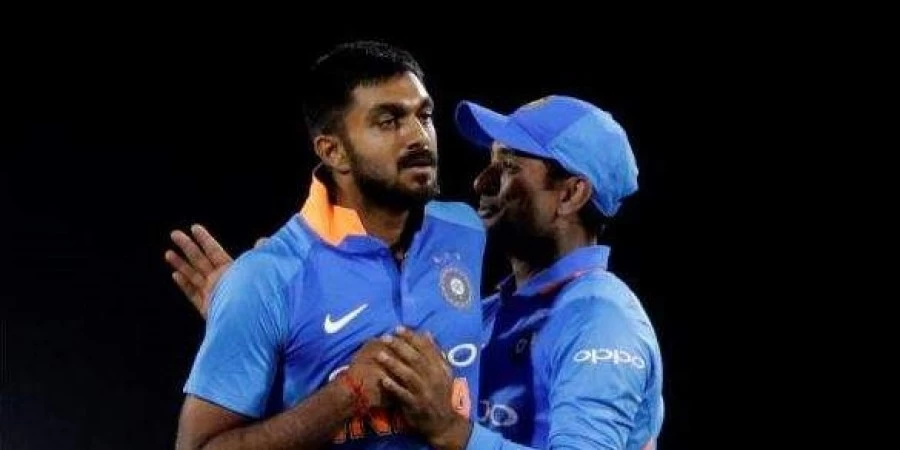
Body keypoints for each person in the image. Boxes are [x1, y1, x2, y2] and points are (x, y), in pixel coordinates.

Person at [167, 96, 664, 449]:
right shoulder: (491, 312)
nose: (482, 181)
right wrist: (258, 316)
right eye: (490, 161)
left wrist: (454, 431)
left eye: (510, 167)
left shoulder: (601, 320)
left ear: (571, 194)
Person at [167, 40, 486, 450]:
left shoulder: (465, 230)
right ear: (333, 151)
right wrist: (346, 395)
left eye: (423, 115)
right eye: (388, 121)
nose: (418, 136)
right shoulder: (266, 279)